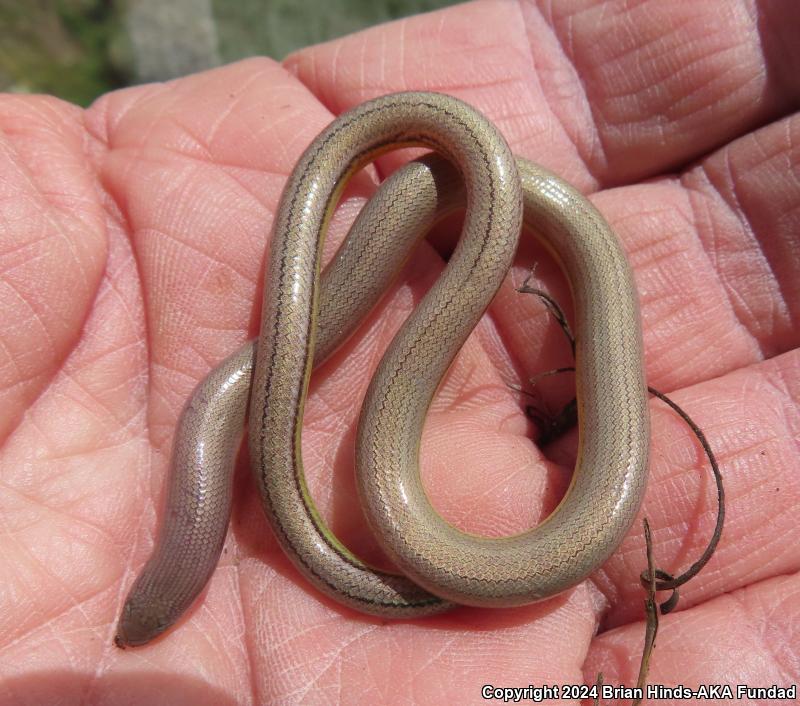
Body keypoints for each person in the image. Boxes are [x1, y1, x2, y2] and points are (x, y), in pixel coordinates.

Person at [0, 1, 797, 703]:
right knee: (253, 400)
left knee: (282, 377)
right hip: (437, 199)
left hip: (458, 189)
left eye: (151, 611)